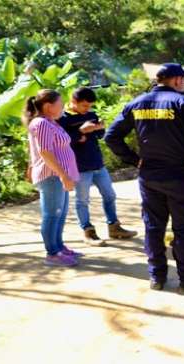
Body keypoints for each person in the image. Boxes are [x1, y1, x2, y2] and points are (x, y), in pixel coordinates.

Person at [104, 63, 184, 295]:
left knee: (153, 227)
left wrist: (135, 160)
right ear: (176, 80)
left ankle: (157, 278)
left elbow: (111, 136)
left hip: (149, 177)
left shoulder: (136, 103)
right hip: (180, 176)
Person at [58, 87, 137, 246]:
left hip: (98, 164)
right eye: (84, 106)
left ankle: (114, 227)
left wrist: (99, 128)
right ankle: (88, 231)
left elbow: (100, 135)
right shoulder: (63, 118)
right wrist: (80, 131)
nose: (87, 109)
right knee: (82, 201)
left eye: (90, 106)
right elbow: (62, 140)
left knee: (110, 196)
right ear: (73, 102)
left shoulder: (91, 115)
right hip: (79, 167)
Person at [24, 89, 82, 267]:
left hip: (59, 176)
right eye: (60, 103)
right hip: (52, 176)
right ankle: (52, 254)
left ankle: (58, 246)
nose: (63, 106)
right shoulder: (41, 123)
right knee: (52, 215)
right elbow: (44, 151)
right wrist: (63, 174)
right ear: (49, 106)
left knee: (60, 214)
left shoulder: (51, 123)